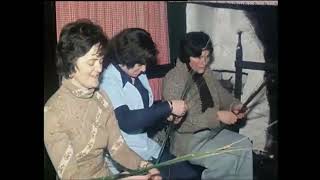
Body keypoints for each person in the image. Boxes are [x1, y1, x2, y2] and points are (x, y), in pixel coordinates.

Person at [44, 19, 161, 180]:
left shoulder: (101, 98)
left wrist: (145, 166)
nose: (99, 68)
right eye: (92, 62)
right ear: (70, 64)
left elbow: (118, 149)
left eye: (100, 60)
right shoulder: (52, 112)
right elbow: (71, 176)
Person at [100, 28, 201, 179]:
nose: (144, 69)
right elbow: (127, 121)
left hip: (146, 148)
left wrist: (167, 116)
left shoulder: (137, 73)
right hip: (123, 156)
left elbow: (145, 112)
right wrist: (168, 106)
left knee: (189, 176)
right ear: (125, 58)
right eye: (140, 64)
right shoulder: (108, 79)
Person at [162, 31, 253, 180]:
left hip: (212, 132)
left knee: (244, 144)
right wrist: (217, 116)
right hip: (187, 140)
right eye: (198, 57)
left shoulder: (206, 72)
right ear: (186, 56)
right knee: (225, 160)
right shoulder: (174, 79)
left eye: (207, 56)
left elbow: (221, 94)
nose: (204, 62)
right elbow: (182, 124)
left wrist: (234, 105)